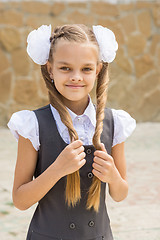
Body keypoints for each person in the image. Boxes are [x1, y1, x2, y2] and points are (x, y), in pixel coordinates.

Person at [8, 24, 136, 240]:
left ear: (97, 70)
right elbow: (20, 200)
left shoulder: (115, 123)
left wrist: (113, 175)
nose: (76, 77)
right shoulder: (32, 125)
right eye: (65, 68)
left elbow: (120, 193)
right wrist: (57, 169)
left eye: (86, 69)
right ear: (50, 69)